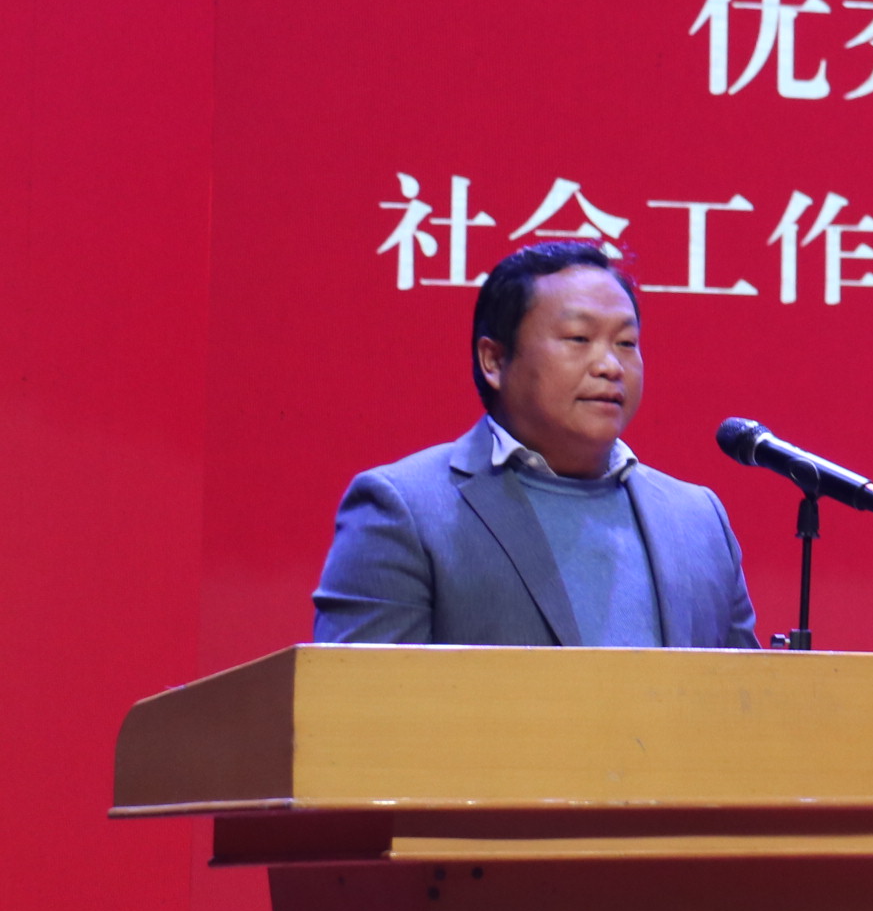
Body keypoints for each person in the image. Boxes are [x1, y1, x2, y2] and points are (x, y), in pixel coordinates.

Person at [313, 241, 760, 647]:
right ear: (494, 360)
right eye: (578, 339)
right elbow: (357, 701)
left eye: (626, 343)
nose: (610, 365)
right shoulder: (406, 509)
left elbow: (744, 700)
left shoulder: (698, 520)